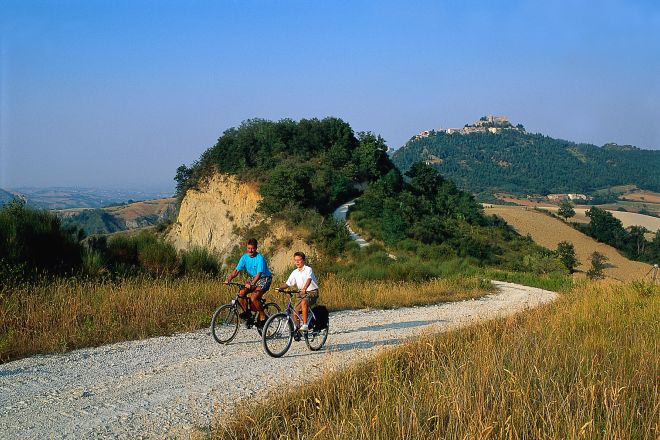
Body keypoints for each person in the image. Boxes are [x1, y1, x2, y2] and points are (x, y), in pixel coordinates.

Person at [224, 238, 272, 328]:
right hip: (254, 278)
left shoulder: (260, 258)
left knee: (254, 298)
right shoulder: (244, 257)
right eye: (248, 248)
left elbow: (259, 273)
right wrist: (229, 278)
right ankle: (248, 314)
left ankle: (263, 316)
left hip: (264, 278)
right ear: (246, 247)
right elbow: (236, 271)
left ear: (256, 248)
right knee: (241, 292)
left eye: (252, 248)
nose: (250, 250)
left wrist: (252, 283)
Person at [279, 251, 319, 332]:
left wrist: (304, 288)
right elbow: (288, 283)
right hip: (301, 293)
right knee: (295, 313)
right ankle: (298, 330)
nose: (297, 262)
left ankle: (305, 324)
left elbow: (309, 279)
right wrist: (280, 288)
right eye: (295, 260)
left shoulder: (308, 269)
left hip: (312, 292)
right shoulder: (295, 272)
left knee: (304, 302)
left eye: (299, 260)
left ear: (303, 260)